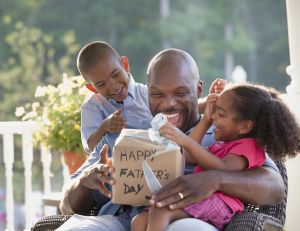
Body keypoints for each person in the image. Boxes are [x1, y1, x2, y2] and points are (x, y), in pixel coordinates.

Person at [59, 48, 285, 231]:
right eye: (157, 94)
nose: (168, 104)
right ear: (147, 94)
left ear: (198, 90)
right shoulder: (121, 131)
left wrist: (216, 179)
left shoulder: (224, 133)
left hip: (186, 219)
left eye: (179, 93)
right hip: (120, 221)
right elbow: (66, 205)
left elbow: (274, 187)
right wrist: (86, 181)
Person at [131, 82, 300, 231]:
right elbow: (189, 155)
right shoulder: (222, 145)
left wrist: (186, 141)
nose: (214, 118)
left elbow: (223, 168)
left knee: (160, 210)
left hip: (220, 202)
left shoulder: (249, 147)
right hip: (204, 198)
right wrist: (205, 121)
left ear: (244, 127)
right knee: (139, 221)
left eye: (221, 114)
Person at [77, 41, 224, 154]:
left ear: (125, 65)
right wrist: (105, 126)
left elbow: (184, 108)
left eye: (115, 75)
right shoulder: (93, 107)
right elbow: (90, 148)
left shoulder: (145, 93)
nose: (113, 86)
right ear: (92, 88)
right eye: (102, 84)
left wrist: (215, 100)